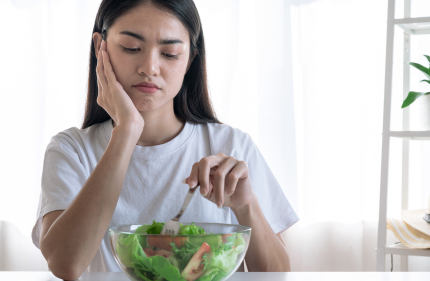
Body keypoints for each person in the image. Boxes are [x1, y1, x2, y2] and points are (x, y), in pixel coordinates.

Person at [31, 0, 299, 280]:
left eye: (169, 54)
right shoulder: (71, 149)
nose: (150, 68)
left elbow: (277, 274)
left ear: (190, 61)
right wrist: (127, 131)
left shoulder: (231, 145)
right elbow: (65, 264)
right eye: (131, 48)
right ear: (101, 47)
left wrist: (245, 206)